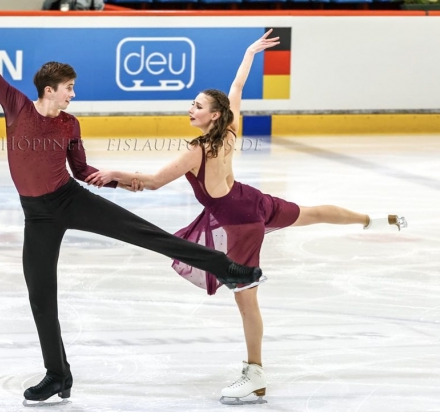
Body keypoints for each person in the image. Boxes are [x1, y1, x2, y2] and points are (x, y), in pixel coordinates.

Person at [0, 6, 265, 406]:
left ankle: (229, 269)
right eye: (69, 87)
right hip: (36, 215)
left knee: (148, 235)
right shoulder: (16, 105)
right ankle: (58, 376)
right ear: (49, 89)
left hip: (70, 200)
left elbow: (83, 170)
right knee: (40, 295)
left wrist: (126, 181)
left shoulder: (70, 125)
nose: (74, 93)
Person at [85, 29, 408, 405]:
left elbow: (154, 182)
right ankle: (371, 219)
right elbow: (237, 86)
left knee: (246, 298)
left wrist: (113, 175)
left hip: (241, 225)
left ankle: (254, 374)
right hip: (254, 202)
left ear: (213, 115)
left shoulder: (198, 148)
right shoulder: (230, 131)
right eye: (192, 104)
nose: (191, 109)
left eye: (197, 105)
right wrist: (250, 53)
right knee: (314, 212)